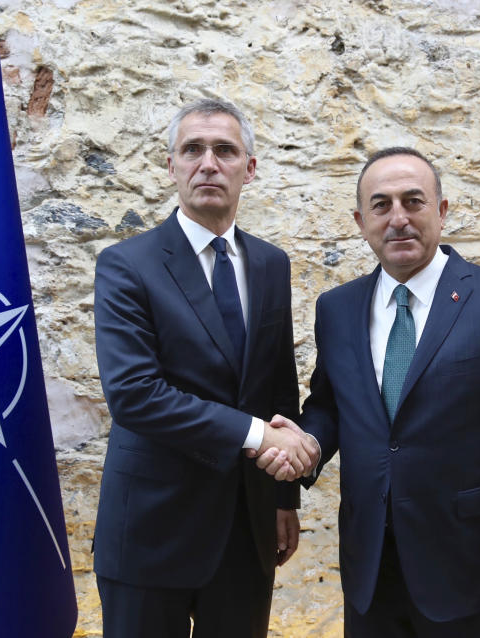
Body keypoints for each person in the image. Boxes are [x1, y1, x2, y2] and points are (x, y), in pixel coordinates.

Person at [258, 147, 480, 637]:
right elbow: (332, 406)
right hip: (370, 566)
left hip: (471, 568)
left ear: (441, 211)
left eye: (413, 201)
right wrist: (308, 445)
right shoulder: (337, 308)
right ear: (361, 221)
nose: (398, 218)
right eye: (381, 205)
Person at [92, 97, 319, 638]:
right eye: (192, 149)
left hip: (247, 530)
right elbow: (135, 395)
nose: (208, 163)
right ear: (172, 166)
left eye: (225, 150)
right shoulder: (126, 265)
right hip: (151, 530)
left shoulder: (270, 264)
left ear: (250, 167)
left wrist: (284, 498)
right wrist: (257, 434)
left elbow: (278, 388)